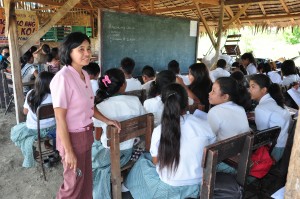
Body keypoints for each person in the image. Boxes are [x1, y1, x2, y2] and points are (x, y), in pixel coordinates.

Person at [50, 32, 120, 199]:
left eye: (88, 48)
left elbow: (90, 106)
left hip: (86, 135)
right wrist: (69, 151)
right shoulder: (63, 78)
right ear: (69, 52)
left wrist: (107, 120)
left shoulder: (85, 75)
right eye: (81, 49)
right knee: (72, 185)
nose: (87, 53)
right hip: (71, 138)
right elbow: (60, 119)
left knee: (86, 182)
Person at [124, 83, 216, 199]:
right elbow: (211, 151)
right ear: (187, 103)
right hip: (199, 183)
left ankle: (127, 187)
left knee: (142, 162)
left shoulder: (159, 131)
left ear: (164, 104)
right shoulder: (204, 125)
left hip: (169, 187)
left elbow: (155, 161)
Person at [92, 68, 146, 199]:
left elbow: (97, 136)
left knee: (91, 158)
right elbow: (144, 122)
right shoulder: (135, 101)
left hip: (109, 154)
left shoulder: (99, 107)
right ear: (123, 85)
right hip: (130, 152)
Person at [11, 71, 56, 168]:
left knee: (17, 131)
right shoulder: (56, 95)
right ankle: (52, 149)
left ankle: (34, 152)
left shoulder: (31, 94)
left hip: (34, 129)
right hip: (53, 128)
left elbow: (25, 112)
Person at [249, 74, 291, 162]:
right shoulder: (275, 101)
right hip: (285, 146)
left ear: (264, 90)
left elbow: (262, 138)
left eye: (253, 87)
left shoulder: (261, 108)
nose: (249, 90)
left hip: (274, 152)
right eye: (249, 87)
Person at [207, 77, 250, 141]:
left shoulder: (214, 112)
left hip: (222, 149)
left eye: (213, 91)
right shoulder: (241, 108)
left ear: (225, 97)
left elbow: (209, 135)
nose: (209, 93)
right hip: (241, 149)